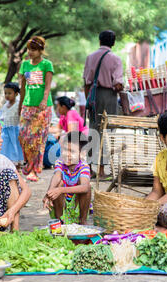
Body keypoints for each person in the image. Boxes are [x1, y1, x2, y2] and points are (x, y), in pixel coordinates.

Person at [83, 30, 124, 178]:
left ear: (99, 41)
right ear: (113, 43)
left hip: (93, 96)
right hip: (109, 97)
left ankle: (88, 168)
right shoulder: (116, 59)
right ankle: (101, 170)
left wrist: (89, 100)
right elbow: (118, 83)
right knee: (107, 131)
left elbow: (86, 81)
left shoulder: (90, 57)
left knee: (93, 129)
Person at [18, 36, 54, 182]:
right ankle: (28, 165)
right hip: (27, 105)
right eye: (28, 49)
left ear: (40, 50)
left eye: (33, 49)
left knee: (38, 139)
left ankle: (35, 170)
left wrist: (44, 100)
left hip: (42, 107)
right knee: (23, 136)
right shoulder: (24, 65)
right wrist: (19, 105)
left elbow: (47, 86)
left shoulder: (47, 64)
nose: (30, 52)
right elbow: (22, 88)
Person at [43, 131, 91, 225]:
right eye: (64, 150)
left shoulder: (84, 166)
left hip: (76, 204)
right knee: (58, 183)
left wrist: (61, 190)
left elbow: (85, 187)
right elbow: (57, 176)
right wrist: (49, 193)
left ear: (82, 154)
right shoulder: (60, 162)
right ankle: (60, 221)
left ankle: (82, 221)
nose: (67, 154)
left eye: (72, 151)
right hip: (62, 203)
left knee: (88, 188)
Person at [0, 82, 23, 170]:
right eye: (5, 93)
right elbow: (1, 119)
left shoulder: (18, 105)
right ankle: (7, 169)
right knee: (5, 150)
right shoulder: (4, 106)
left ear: (16, 94)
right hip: (5, 132)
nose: (7, 95)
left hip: (15, 132)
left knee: (16, 150)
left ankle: (17, 169)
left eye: (9, 93)